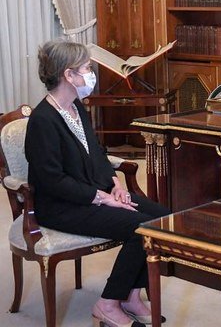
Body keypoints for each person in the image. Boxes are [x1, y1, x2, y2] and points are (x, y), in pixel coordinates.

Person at [25, 40, 170, 327]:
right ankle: (107, 303)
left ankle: (131, 295)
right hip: (62, 206)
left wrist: (115, 185)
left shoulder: (77, 107)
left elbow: (98, 153)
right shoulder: (43, 120)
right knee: (139, 228)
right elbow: (52, 181)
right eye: (87, 68)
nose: (91, 74)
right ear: (69, 75)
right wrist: (103, 198)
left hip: (95, 191)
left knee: (162, 219)